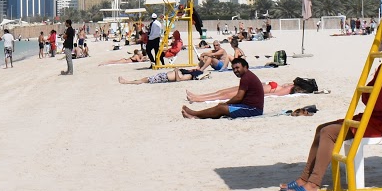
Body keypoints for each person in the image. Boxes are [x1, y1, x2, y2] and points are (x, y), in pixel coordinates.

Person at [281, 22, 382, 191]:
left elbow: (376, 102)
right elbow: (371, 97)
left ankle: (314, 183)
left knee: (329, 133)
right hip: (375, 119)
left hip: (381, 125)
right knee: (321, 128)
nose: (379, 43)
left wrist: (369, 95)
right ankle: (304, 179)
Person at [180, 56, 265, 118]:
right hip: (248, 107)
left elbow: (239, 97)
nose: (235, 70)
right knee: (221, 107)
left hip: (253, 110)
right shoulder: (247, 76)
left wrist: (226, 103)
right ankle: (196, 115)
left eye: (237, 68)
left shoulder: (246, 78)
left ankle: (195, 114)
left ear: (245, 67)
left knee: (221, 108)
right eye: (233, 68)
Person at [186, 76, 321, 102]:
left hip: (256, 90)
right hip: (256, 86)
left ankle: (198, 99)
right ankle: (199, 96)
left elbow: (275, 95)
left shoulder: (289, 90)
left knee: (226, 95)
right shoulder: (290, 85)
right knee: (224, 91)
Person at [119, 66, 203, 84]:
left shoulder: (189, 76)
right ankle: (128, 81)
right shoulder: (188, 72)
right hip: (164, 76)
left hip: (165, 78)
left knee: (146, 80)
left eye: (195, 70)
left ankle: (126, 82)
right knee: (146, 79)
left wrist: (177, 71)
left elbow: (178, 80)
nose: (194, 68)